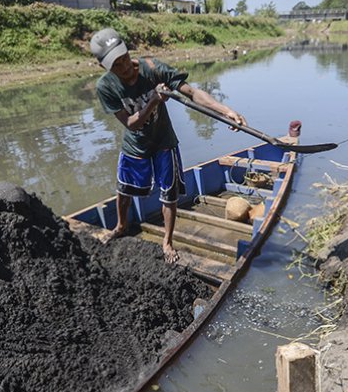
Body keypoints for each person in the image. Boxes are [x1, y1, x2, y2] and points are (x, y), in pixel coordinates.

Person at [90, 28, 246, 263]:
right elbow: (131, 124)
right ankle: (121, 226)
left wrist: (227, 111)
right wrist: (153, 101)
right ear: (103, 66)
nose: (123, 68)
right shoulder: (106, 87)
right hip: (136, 145)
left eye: (124, 60)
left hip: (164, 142)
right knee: (124, 191)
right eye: (115, 65)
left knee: (168, 194)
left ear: (127, 51)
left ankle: (167, 242)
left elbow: (192, 93)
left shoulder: (153, 69)